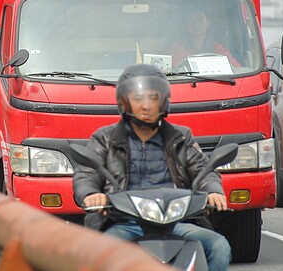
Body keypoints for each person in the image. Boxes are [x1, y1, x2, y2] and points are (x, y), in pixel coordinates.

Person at [72, 64, 231, 271]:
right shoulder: (104, 138)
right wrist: (91, 194)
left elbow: (203, 168)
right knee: (102, 255)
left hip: (175, 223)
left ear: (164, 101)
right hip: (124, 222)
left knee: (219, 246)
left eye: (153, 98)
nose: (146, 106)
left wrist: (213, 192)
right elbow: (87, 172)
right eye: (138, 99)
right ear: (124, 102)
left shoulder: (180, 137)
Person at [170, 10, 240, 67]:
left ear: (208, 24)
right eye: (191, 20)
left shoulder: (217, 48)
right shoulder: (178, 48)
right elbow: (171, 70)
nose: (196, 24)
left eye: (201, 20)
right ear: (186, 25)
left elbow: (236, 69)